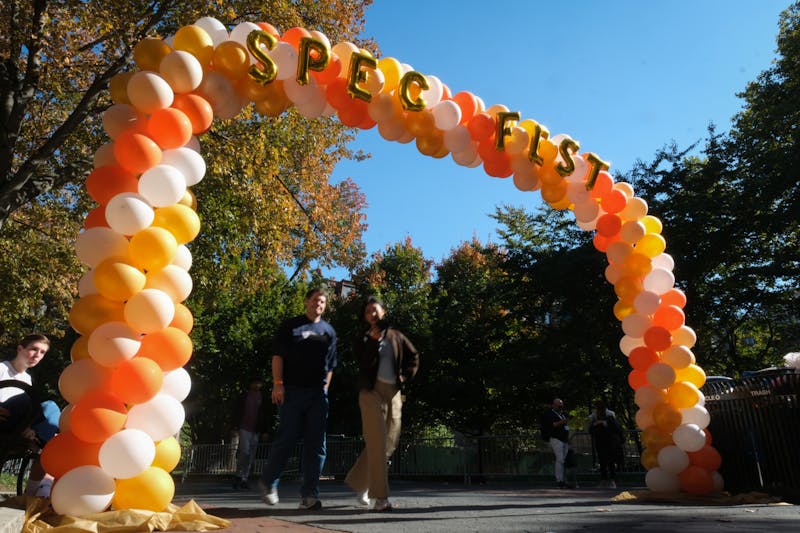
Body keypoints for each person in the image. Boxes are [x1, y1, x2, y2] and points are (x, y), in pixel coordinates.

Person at [260, 288, 337, 510]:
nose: (318, 305)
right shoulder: (291, 326)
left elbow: (331, 366)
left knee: (317, 445)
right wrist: (278, 384)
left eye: (322, 302)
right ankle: (268, 483)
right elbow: (278, 356)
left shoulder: (329, 331)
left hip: (317, 395)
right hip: (292, 391)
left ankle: (309, 495)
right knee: (287, 438)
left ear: (325, 305)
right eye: (315, 300)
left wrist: (325, 389)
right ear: (307, 302)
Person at [344, 296, 420, 512]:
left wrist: (403, 378)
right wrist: (374, 342)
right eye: (368, 312)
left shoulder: (396, 336)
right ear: (365, 316)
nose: (372, 314)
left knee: (388, 444)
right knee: (376, 442)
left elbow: (413, 356)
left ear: (383, 311)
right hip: (371, 392)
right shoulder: (362, 338)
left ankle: (360, 484)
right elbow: (362, 360)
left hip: (393, 392)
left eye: (375, 310)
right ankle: (381, 498)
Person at [0, 334, 60, 497]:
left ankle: (38, 441)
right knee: (43, 403)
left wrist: (28, 427)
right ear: (20, 349)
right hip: (3, 419)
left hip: (17, 423)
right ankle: (40, 443)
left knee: (50, 408)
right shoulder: (2, 368)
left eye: (42, 352)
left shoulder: (27, 379)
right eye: (34, 349)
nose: (37, 355)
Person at [231, 376, 271, 490]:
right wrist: (234, 427)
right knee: (245, 452)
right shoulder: (244, 396)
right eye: (255, 383)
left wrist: (265, 431)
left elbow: (265, 415)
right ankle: (238, 475)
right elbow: (236, 411)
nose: (257, 385)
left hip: (256, 430)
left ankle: (244, 478)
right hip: (244, 428)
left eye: (259, 383)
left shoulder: (263, 397)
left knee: (251, 456)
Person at [588, 400, 624, 488]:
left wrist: (605, 423)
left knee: (611, 461)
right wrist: (595, 424)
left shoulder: (610, 416)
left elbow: (616, 428)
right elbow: (590, 430)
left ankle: (612, 480)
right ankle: (604, 480)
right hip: (600, 442)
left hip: (610, 442)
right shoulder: (594, 417)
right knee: (602, 461)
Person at [541, 398, 573, 488]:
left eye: (561, 405)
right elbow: (553, 425)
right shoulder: (550, 414)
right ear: (554, 405)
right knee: (560, 459)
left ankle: (564, 480)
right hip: (556, 439)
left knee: (563, 460)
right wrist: (563, 421)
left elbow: (565, 426)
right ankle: (559, 480)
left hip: (564, 439)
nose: (560, 407)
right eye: (559, 405)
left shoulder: (562, 414)